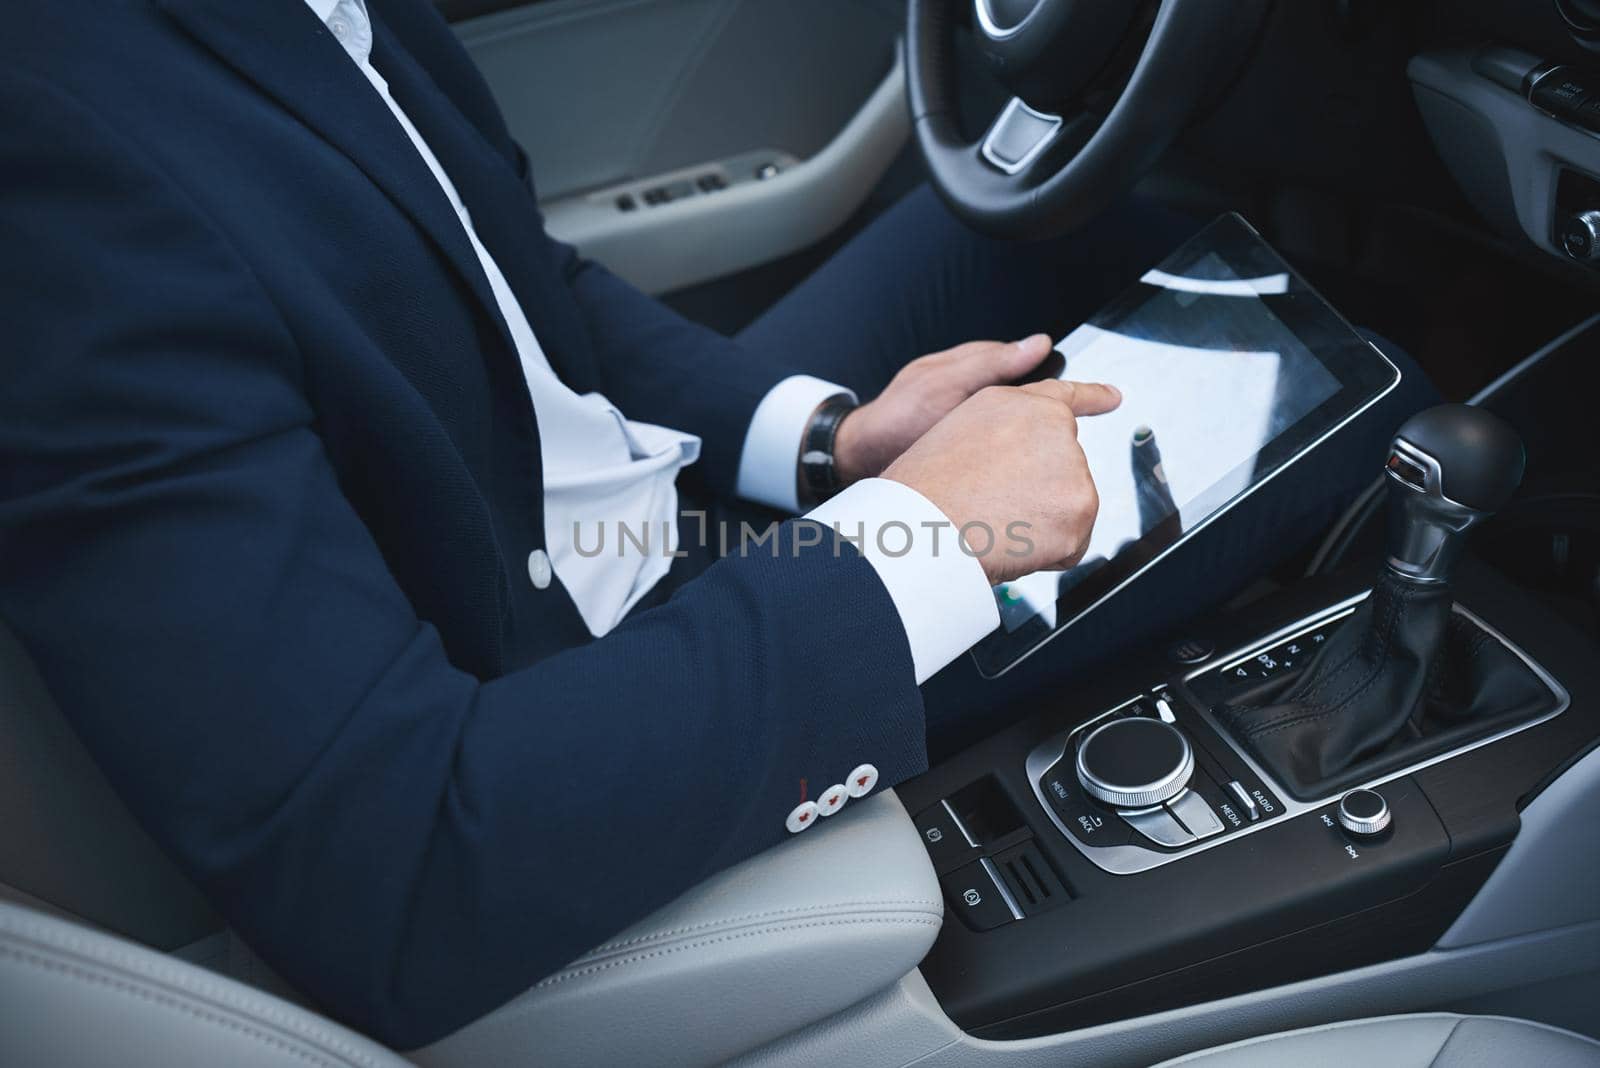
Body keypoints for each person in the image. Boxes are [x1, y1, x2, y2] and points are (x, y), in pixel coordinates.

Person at [0, 0, 1435, 1049]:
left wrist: (825, 444)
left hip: (597, 518)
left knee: (1059, 234)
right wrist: (918, 539)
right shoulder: (53, 153)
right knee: (1360, 404)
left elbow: (526, 284)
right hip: (570, 680)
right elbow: (393, 869)